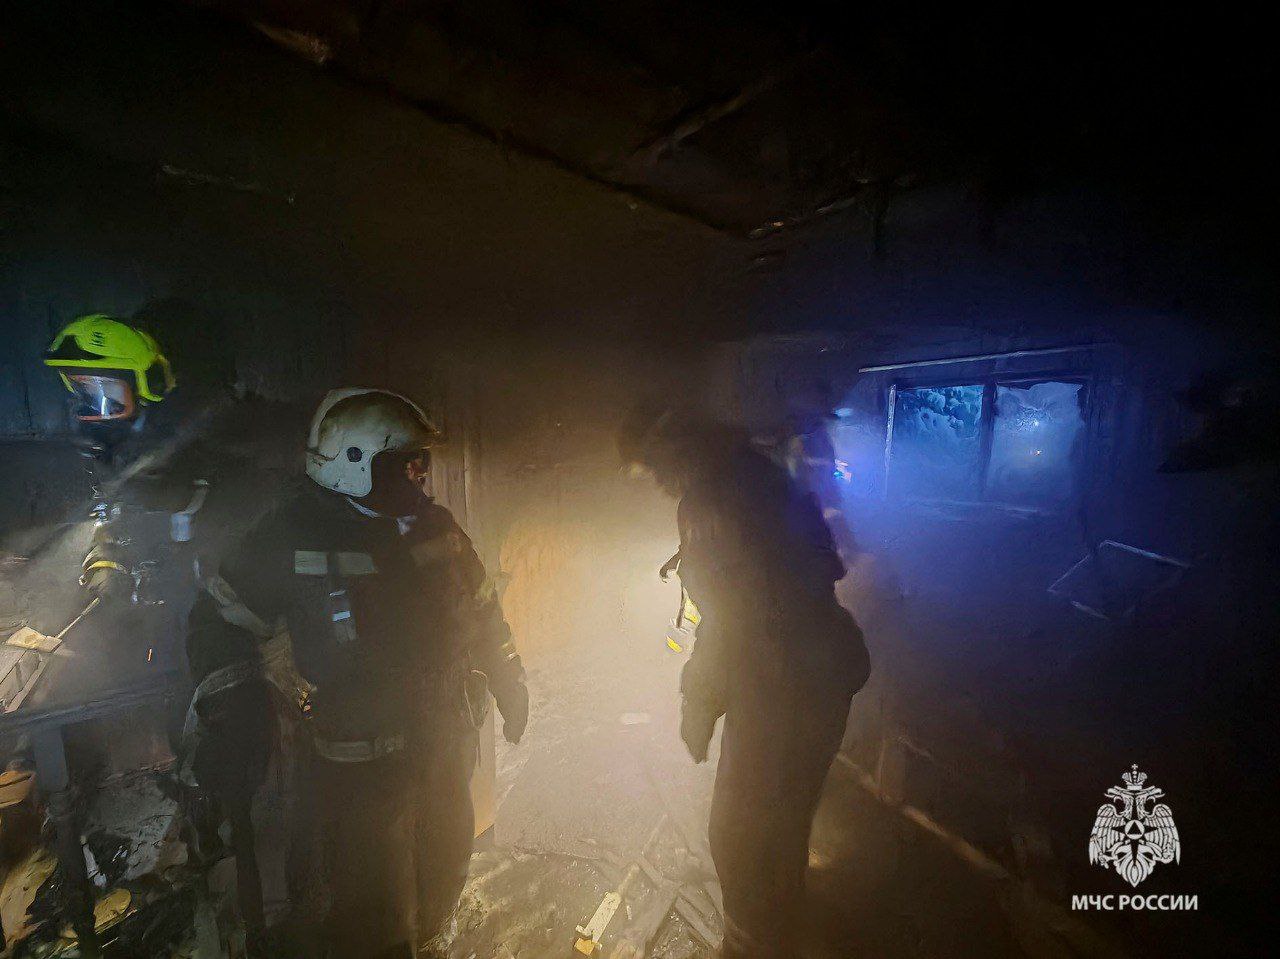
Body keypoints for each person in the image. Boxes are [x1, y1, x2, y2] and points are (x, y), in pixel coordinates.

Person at [184, 387, 529, 958]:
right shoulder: (289, 534)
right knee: (372, 909)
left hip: (445, 745)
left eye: (421, 464)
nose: (419, 478)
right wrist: (233, 709)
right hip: (358, 766)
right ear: (353, 463)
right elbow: (219, 619)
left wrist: (508, 673)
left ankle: (432, 940)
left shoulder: (434, 526)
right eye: (404, 465)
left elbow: (483, 606)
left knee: (445, 870)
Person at [620, 401, 869, 959]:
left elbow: (733, 620)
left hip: (781, 682)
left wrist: (699, 704)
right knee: (786, 819)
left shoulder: (709, 501)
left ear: (671, 455)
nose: (655, 484)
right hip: (826, 669)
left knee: (740, 834)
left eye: (651, 469)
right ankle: (781, 927)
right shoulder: (760, 476)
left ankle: (751, 945)